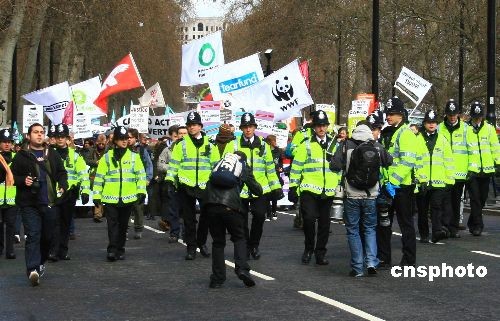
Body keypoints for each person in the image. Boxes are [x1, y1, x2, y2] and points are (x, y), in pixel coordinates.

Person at [215, 112, 282, 260]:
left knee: (259, 216)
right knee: (241, 220)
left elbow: (270, 169)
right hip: (240, 190)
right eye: (245, 127)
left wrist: (276, 187)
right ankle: (244, 246)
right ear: (242, 128)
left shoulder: (264, 146)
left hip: (260, 188)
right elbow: (225, 165)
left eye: (250, 126)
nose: (248, 129)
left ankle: (254, 244)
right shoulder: (233, 145)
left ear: (254, 127)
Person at [330, 123, 392, 276]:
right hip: (371, 195)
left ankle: (357, 268)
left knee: (353, 230)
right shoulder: (376, 145)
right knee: (370, 228)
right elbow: (389, 161)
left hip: (351, 194)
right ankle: (371, 262)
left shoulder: (346, 145)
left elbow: (334, 165)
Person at [11, 123, 68, 286]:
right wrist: (23, 180)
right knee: (33, 234)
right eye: (35, 132)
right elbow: (13, 177)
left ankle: (41, 262)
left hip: (49, 202)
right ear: (28, 136)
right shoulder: (21, 155)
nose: (39, 135)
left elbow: (62, 172)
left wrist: (63, 184)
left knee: (48, 237)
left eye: (41, 132)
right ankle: (32, 269)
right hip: (29, 203)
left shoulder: (52, 153)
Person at [204, 151, 262, 288]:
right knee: (239, 237)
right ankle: (242, 269)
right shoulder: (242, 165)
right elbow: (256, 189)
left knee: (218, 242)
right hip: (230, 207)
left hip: (210, 206)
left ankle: (217, 279)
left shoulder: (219, 164)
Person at [289, 110, 339, 265]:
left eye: (324, 125)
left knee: (325, 224)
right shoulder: (306, 144)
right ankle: (308, 248)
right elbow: (297, 166)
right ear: (314, 127)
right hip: (309, 189)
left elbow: (339, 167)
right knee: (309, 220)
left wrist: (337, 181)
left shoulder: (334, 144)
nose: (321, 129)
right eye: (318, 125)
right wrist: (293, 187)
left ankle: (320, 253)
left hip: (328, 189)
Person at [92, 126, 147, 262]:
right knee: (112, 225)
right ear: (115, 140)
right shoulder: (106, 158)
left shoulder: (134, 157)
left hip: (128, 198)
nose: (124, 141)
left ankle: (120, 249)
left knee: (123, 226)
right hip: (110, 198)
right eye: (121, 139)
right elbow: (99, 177)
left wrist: (141, 192)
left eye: (126, 139)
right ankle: (112, 249)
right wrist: (97, 195)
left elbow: (140, 175)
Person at [165, 111, 213, 260]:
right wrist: (170, 181)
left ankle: (202, 242)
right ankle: (191, 247)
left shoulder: (210, 144)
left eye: (194, 125)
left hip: (205, 185)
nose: (192, 127)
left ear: (200, 126)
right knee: (189, 219)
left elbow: (215, 165)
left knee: (206, 217)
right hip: (186, 185)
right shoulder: (181, 144)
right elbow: (174, 165)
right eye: (190, 125)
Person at [378, 97, 419, 267]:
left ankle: (408, 260)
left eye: (392, 113)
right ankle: (384, 258)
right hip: (387, 186)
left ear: (401, 115)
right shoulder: (387, 132)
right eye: (388, 113)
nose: (388, 116)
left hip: (401, 187)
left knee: (405, 224)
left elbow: (407, 162)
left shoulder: (406, 133)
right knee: (384, 224)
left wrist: (392, 183)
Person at [49, 124, 91, 261]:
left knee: (66, 223)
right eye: (57, 137)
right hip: (53, 194)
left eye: (62, 137)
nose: (60, 139)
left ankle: (63, 250)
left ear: (68, 139)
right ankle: (53, 251)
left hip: (69, 194)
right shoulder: (48, 154)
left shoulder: (75, 156)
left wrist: (85, 191)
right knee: (54, 223)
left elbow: (83, 174)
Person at [415, 110, 454, 243]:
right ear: (424, 123)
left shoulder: (443, 139)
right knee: (422, 210)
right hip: (423, 181)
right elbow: (415, 161)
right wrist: (419, 179)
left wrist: (449, 180)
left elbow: (448, 160)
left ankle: (437, 231)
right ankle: (424, 233)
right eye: (429, 122)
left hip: (439, 181)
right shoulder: (418, 138)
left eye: (434, 122)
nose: (431, 125)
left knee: (437, 207)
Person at [465, 101, 500, 236]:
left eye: (479, 116)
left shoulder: (489, 128)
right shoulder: (466, 129)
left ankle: (471, 221)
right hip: (472, 170)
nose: (477, 119)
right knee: (475, 198)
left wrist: (498, 162)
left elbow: (495, 147)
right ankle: (478, 226)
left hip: (486, 170)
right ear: (471, 116)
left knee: (483, 198)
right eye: (475, 116)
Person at [438, 99, 468, 237]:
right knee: (445, 201)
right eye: (450, 114)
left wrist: (470, 169)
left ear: (458, 114)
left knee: (456, 202)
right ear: (446, 114)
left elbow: (470, 150)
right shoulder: (439, 128)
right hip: (444, 172)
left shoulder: (466, 129)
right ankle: (445, 226)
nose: (452, 116)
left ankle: (454, 228)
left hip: (460, 173)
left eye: (454, 114)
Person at [127, 128, 153, 239]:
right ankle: (125, 229)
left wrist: (147, 179)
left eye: (130, 137)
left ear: (135, 138)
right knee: (125, 208)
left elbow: (148, 165)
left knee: (138, 208)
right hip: (126, 184)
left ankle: (138, 228)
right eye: (126, 137)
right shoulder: (121, 149)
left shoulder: (142, 150)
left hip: (139, 183)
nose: (128, 140)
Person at [0, 128, 17, 259]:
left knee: (11, 224)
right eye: (4, 141)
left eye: (9, 142)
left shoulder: (16, 158)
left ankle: (10, 250)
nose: (7, 144)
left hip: (12, 197)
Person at [83, 134, 107, 223]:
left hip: (106, 175)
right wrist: (96, 162)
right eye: (99, 144)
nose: (101, 145)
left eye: (102, 144)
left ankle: (104, 212)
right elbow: (87, 160)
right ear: (97, 143)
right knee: (98, 194)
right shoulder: (92, 150)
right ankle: (98, 214)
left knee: (106, 194)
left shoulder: (108, 151)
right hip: (95, 175)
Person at [264, 135, 284, 221]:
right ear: (270, 142)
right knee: (267, 195)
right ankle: (268, 214)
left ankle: (274, 212)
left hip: (276, 174)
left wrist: (280, 167)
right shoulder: (265, 150)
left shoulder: (278, 151)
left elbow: (280, 161)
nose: (275, 142)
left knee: (275, 194)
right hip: (267, 175)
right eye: (274, 140)